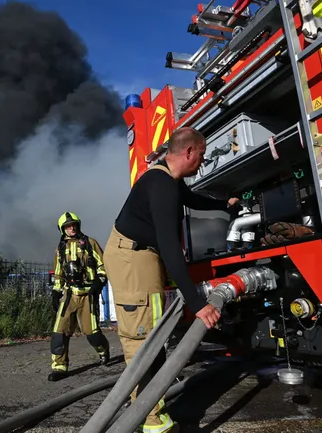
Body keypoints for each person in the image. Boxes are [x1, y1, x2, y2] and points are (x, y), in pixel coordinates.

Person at [102, 127, 239, 433]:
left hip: (142, 255)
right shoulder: (161, 184)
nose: (202, 162)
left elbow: (191, 199)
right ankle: (152, 421)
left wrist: (223, 205)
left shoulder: (170, 180)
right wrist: (197, 303)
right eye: (202, 155)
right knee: (142, 337)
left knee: (153, 329)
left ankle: (153, 402)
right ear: (188, 152)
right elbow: (168, 243)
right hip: (132, 257)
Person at [48, 211, 111, 382]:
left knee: (92, 333)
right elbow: (59, 274)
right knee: (59, 331)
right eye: (68, 226)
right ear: (63, 230)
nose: (72, 228)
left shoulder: (90, 243)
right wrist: (56, 291)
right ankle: (59, 367)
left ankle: (103, 350)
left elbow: (103, 265)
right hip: (69, 295)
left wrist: (99, 282)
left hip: (87, 294)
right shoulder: (60, 249)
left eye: (74, 225)